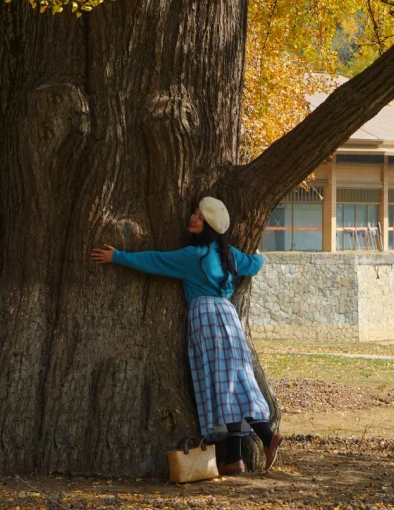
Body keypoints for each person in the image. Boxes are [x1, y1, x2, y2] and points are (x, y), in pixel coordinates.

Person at [90, 196, 283, 475]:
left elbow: (156, 260)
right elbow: (255, 264)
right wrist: (259, 254)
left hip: (206, 319)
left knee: (221, 385)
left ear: (209, 226)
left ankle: (266, 437)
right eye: (194, 213)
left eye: (200, 217)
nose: (193, 218)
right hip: (229, 319)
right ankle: (234, 458)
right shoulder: (229, 254)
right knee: (234, 382)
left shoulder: (195, 256)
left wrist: (117, 256)